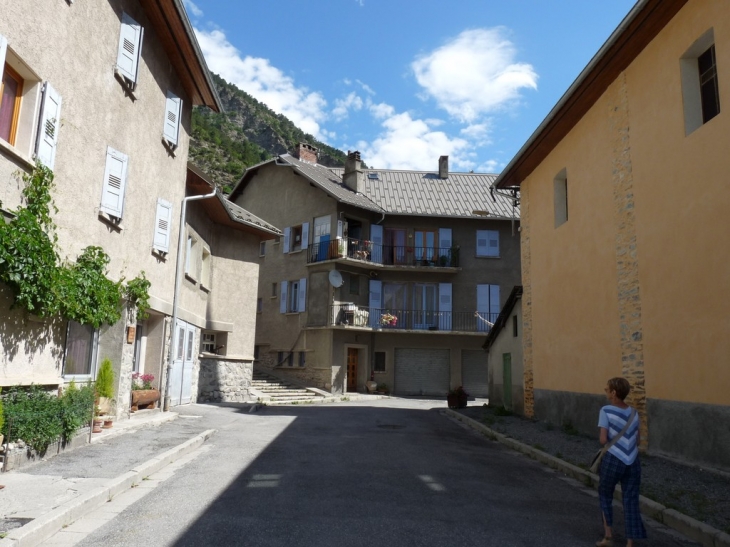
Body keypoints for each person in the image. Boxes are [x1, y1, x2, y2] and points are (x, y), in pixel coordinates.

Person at [596, 377, 646, 547]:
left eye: (607, 389)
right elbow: (638, 440)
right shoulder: (634, 413)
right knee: (630, 499)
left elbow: (603, 439)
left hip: (613, 459)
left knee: (605, 494)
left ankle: (608, 537)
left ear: (614, 393)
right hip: (633, 461)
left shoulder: (605, 411)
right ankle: (630, 542)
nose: (606, 391)